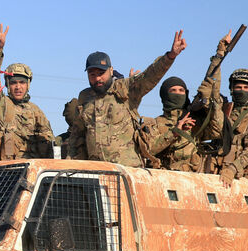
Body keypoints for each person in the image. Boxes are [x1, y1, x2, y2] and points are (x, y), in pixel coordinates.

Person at [64, 30, 187, 166]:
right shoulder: (85, 97)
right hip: (96, 172)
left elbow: (149, 76)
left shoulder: (126, 89)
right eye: (92, 74)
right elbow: (77, 137)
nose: (97, 78)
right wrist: (72, 166)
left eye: (101, 73)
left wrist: (170, 56)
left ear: (111, 71)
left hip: (126, 171)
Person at [145, 31, 232, 172]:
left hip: (192, 179)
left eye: (181, 91)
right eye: (173, 91)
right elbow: (148, 150)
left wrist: (211, 101)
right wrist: (175, 132)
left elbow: (217, 130)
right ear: (164, 95)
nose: (178, 94)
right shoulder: (155, 124)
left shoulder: (194, 122)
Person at [0, 23, 54, 162]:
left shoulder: (35, 111)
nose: (18, 87)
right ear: (7, 85)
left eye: (22, 83)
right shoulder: (0, 104)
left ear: (28, 85)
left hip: (29, 170)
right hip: (2, 170)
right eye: (14, 83)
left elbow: (49, 142)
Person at [215, 68, 248, 184]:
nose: (242, 91)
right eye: (238, 87)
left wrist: (232, 169)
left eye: (246, 88)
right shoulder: (224, 110)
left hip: (238, 176)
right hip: (214, 169)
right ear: (232, 89)